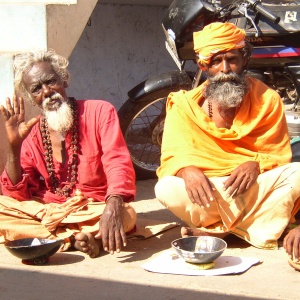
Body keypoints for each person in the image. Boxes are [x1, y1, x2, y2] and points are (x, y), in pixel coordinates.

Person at [154, 22, 300, 271]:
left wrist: (256, 164)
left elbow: (278, 154)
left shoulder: (268, 100)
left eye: (232, 59)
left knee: (297, 173)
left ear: (244, 60)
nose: (225, 69)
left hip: (251, 189)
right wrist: (185, 169)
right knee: (166, 187)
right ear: (203, 66)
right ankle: (246, 228)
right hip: (210, 191)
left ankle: (221, 230)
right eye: (215, 62)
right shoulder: (184, 106)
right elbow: (171, 157)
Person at [0, 49, 137, 258]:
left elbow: (117, 162)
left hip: (92, 209)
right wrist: (13, 146)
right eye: (37, 89)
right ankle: (75, 239)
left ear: (64, 80)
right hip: (49, 211)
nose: (46, 92)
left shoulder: (100, 111)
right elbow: (16, 196)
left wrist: (114, 203)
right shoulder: (32, 132)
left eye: (50, 81)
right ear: (31, 98)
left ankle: (55, 239)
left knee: (127, 215)